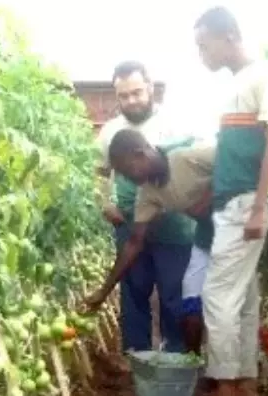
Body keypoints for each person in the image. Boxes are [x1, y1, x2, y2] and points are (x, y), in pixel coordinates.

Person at [188, 6, 268, 396]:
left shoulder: (264, 75)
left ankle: (223, 394)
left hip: (245, 204)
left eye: (203, 44)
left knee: (218, 296)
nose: (201, 54)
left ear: (229, 37)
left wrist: (260, 205)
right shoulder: (239, 85)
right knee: (243, 298)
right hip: (235, 202)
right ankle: (244, 388)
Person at [83, 129, 215, 355]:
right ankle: (189, 365)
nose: (127, 178)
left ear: (140, 153)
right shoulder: (148, 193)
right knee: (191, 302)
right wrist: (104, 291)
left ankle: (224, 375)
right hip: (206, 236)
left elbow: (233, 165)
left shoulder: (186, 157)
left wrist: (208, 198)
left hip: (235, 228)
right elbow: (135, 243)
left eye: (127, 170)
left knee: (221, 303)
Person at [94, 61, 195, 355]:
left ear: (150, 88)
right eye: (123, 95)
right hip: (129, 222)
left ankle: (174, 353)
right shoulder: (110, 131)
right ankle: (136, 354)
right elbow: (97, 173)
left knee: (173, 292)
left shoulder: (174, 122)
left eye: (136, 92)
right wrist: (105, 202)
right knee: (134, 290)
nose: (131, 101)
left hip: (173, 224)